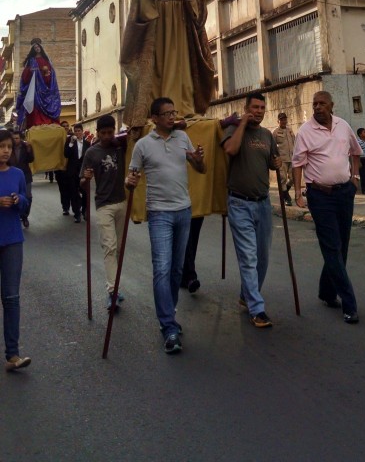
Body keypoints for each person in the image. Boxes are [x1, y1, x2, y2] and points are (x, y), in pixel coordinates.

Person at [126, 97, 205, 353]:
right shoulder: (143, 145)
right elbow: (132, 176)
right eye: (167, 114)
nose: (172, 117)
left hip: (184, 211)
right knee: (161, 267)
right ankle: (169, 328)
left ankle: (169, 312)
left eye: (174, 112)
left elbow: (200, 168)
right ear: (155, 119)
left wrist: (198, 159)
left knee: (176, 269)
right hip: (159, 213)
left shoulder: (182, 138)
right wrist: (130, 182)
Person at [120, 0, 215, 127]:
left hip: (181, 22)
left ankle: (185, 107)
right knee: (160, 64)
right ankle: (160, 108)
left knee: (183, 63)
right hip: (159, 23)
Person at [292, 91, 361, 324]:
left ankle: (327, 291)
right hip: (320, 196)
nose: (318, 107)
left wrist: (355, 179)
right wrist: (298, 192)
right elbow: (298, 163)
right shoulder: (305, 131)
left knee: (342, 246)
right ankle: (349, 302)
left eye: (322, 103)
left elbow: (356, 152)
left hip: (344, 193)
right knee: (331, 247)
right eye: (315, 104)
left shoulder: (343, 125)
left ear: (332, 105)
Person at [221, 92, 280, 330]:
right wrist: (242, 123)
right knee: (248, 257)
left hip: (263, 203)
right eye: (254, 107)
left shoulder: (267, 135)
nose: (258, 111)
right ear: (246, 108)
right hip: (239, 204)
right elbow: (231, 151)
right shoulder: (232, 131)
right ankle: (257, 309)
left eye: (262, 108)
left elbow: (271, 163)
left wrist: (276, 165)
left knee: (262, 258)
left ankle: (247, 295)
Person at [80, 115, 128, 310]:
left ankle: (115, 285)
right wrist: (86, 178)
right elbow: (82, 184)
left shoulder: (121, 145)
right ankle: (112, 291)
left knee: (118, 249)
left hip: (122, 202)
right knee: (109, 247)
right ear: (98, 133)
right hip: (103, 205)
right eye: (104, 133)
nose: (108, 136)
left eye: (110, 132)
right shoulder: (92, 153)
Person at [0, 128, 31, 371]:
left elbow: (25, 203)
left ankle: (13, 354)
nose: (5, 151)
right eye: (1, 147)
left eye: (9, 147)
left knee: (11, 298)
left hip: (12, 241)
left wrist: (20, 201)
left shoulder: (18, 174)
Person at [15, 39, 61, 129]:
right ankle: (36, 123)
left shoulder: (46, 60)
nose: (37, 48)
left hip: (46, 88)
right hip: (35, 89)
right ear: (33, 49)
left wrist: (46, 72)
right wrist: (31, 71)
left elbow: (51, 74)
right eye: (35, 47)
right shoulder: (31, 60)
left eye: (38, 46)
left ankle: (48, 123)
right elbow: (24, 76)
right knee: (35, 106)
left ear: (41, 48)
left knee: (48, 104)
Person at [64, 123, 90, 222]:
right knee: (74, 193)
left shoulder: (87, 144)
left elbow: (90, 158)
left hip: (83, 171)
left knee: (85, 192)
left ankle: (84, 210)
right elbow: (66, 154)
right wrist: (70, 143)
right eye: (76, 131)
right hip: (72, 172)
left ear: (82, 132)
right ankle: (77, 214)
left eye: (79, 131)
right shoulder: (70, 142)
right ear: (73, 132)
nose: (77, 133)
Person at [8, 131, 34, 229]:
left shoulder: (26, 146)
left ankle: (25, 216)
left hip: (25, 175)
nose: (15, 140)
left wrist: (29, 150)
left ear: (20, 138)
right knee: (15, 196)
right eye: (14, 138)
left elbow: (31, 159)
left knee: (28, 196)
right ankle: (17, 215)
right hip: (13, 176)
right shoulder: (9, 148)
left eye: (17, 138)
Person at [273, 111, 295, 205]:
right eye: (281, 119)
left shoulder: (290, 130)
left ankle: (284, 193)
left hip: (292, 158)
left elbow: (294, 142)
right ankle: (287, 198)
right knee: (283, 179)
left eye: (285, 119)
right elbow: (273, 146)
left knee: (293, 178)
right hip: (282, 159)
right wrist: (275, 158)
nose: (283, 121)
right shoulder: (275, 132)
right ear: (278, 121)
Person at [55, 120, 72, 216]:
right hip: (60, 170)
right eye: (63, 126)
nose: (65, 127)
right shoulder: (56, 139)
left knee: (73, 189)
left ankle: (76, 207)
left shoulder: (73, 137)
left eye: (67, 126)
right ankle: (65, 207)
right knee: (63, 190)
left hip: (71, 169)